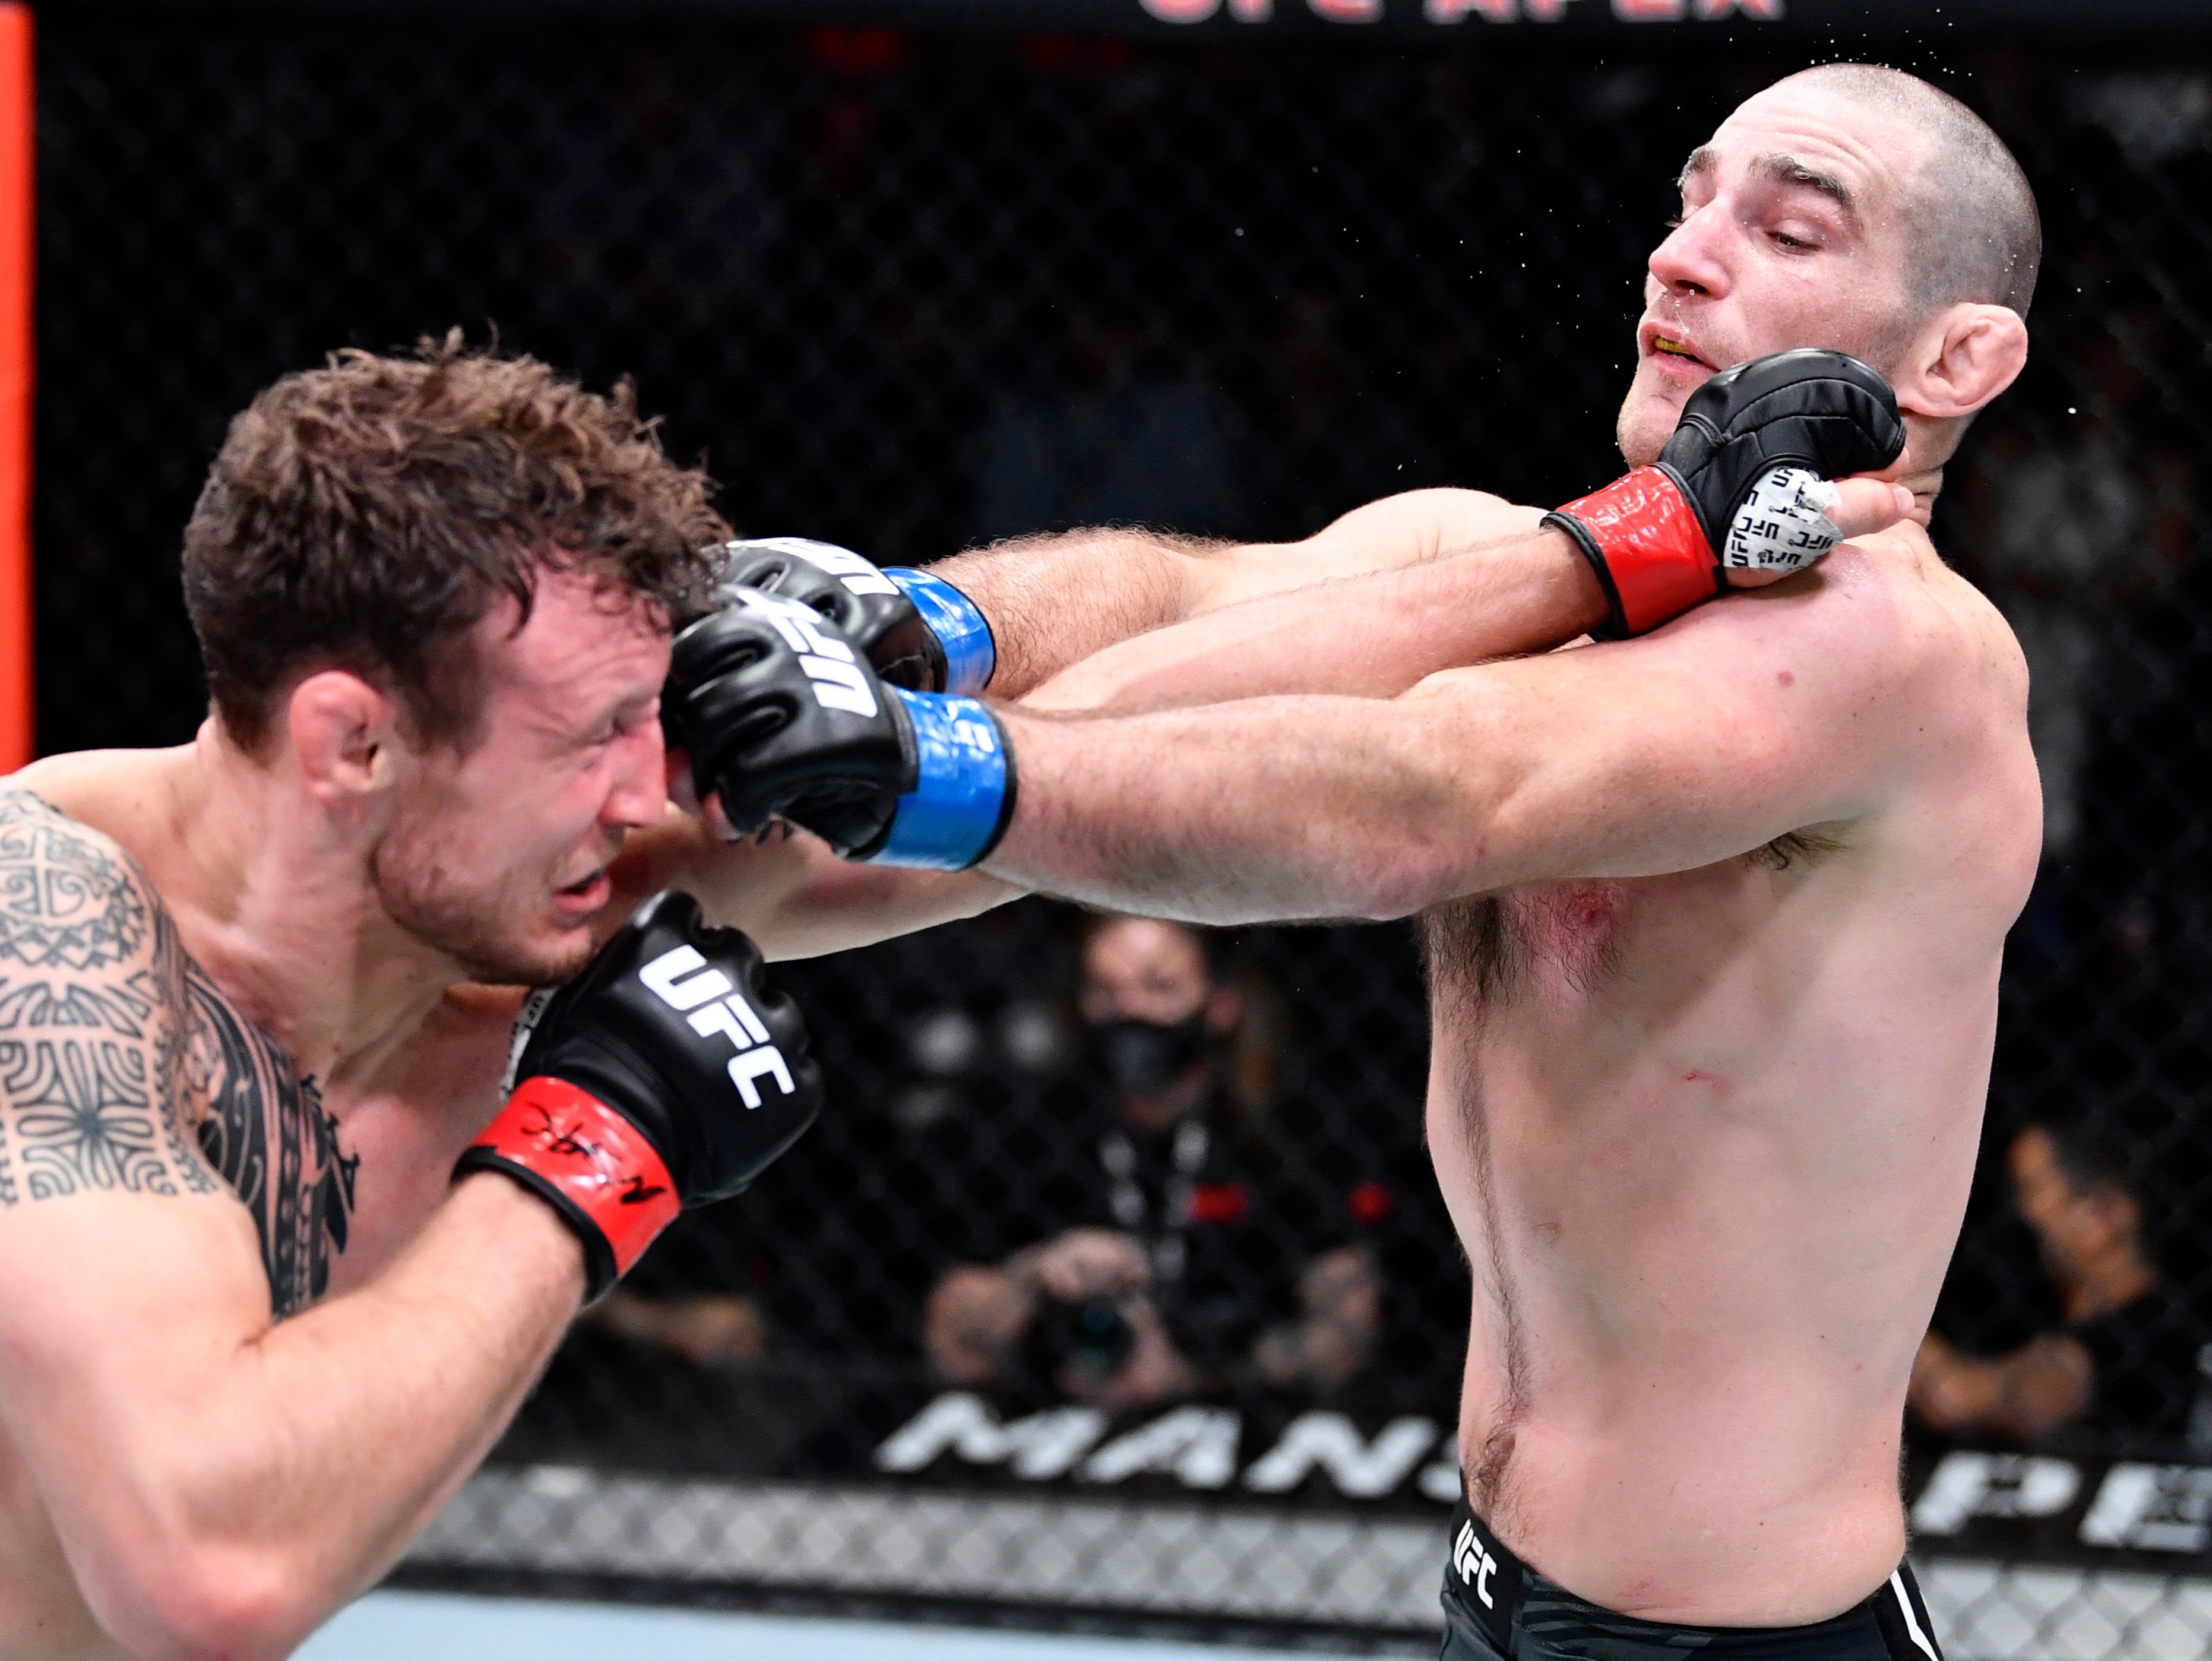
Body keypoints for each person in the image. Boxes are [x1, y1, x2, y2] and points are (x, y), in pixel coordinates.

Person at [672, 63, 2044, 1661]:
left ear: (1958, 355)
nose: (1683, 253)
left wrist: (929, 760)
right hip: (1489, 1588)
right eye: (1690, 200)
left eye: (1788, 227)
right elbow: (1195, 603)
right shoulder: (1543, 562)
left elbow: (1430, 793)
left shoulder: (1897, 658)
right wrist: (924, 621)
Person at [922, 914, 1384, 1413]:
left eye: (1160, 987)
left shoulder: (1284, 1136)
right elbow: (949, 1337)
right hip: (1055, 1418)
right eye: (1105, 990)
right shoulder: (1030, 1130)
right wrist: (1034, 1274)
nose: (1130, 1012)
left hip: (1243, 1421)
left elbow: (1348, 1328)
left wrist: (1204, 1375)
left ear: (1220, 1003)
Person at [1910, 1122, 2202, 1445]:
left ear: (2105, 1212)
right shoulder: (2040, 1317)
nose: (2027, 1214)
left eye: (2036, 1189)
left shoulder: (2153, 1331)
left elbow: (1957, 1398)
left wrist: (1883, 1317)